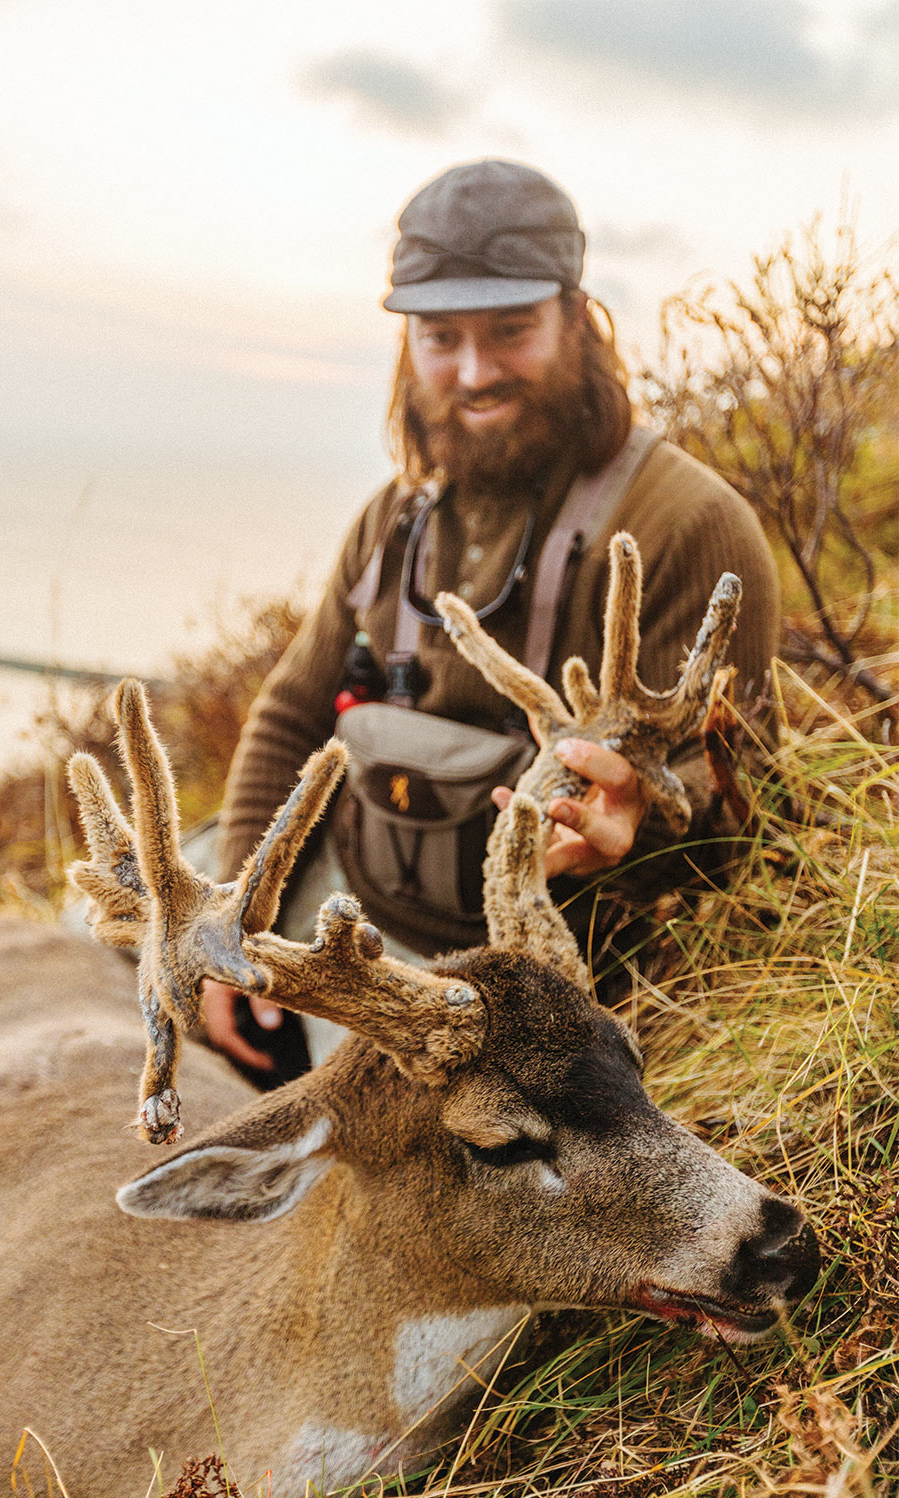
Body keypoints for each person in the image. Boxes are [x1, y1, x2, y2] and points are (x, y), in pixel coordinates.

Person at [201, 159, 780, 1076]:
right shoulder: (396, 515)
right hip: (354, 907)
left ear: (578, 321)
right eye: (440, 337)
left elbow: (742, 807)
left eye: (511, 331)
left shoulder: (690, 526)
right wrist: (234, 921)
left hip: (541, 995)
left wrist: (649, 824)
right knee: (98, 952)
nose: (474, 372)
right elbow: (288, 716)